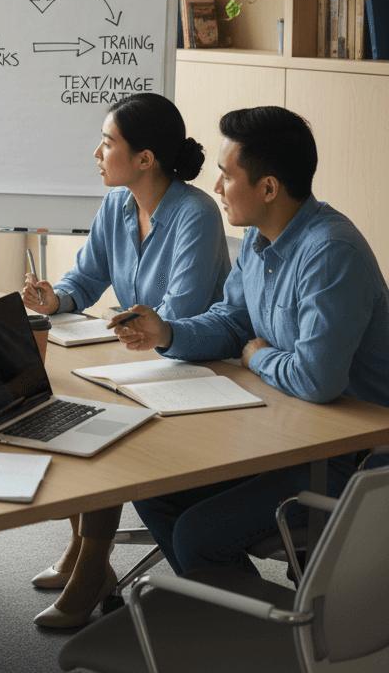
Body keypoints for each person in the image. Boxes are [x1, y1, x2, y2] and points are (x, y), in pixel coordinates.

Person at [111, 106, 389, 577]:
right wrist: (169, 332)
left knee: (197, 536)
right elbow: (232, 322)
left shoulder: (330, 252)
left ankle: (273, 640)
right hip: (285, 433)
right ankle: (238, 619)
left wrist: (258, 357)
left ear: (267, 188)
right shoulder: (258, 243)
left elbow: (316, 378)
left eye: (225, 175)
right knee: (148, 484)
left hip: (349, 459)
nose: (215, 188)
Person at [21, 93, 229, 628]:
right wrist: (56, 298)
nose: (97, 151)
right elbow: (86, 278)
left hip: (195, 368)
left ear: (145, 158)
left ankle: (93, 569)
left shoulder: (195, 213)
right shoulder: (116, 205)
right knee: (59, 405)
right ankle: (79, 551)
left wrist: (136, 328)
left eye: (108, 142)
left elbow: (176, 316)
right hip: (139, 360)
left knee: (104, 428)